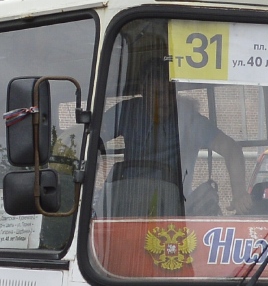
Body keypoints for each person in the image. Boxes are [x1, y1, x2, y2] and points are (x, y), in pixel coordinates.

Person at [101, 58, 250, 215]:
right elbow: (94, 137)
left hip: (175, 210)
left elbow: (231, 149)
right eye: (158, 94)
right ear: (143, 91)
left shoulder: (190, 120)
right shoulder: (128, 111)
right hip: (127, 208)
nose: (165, 100)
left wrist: (239, 193)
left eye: (170, 93)